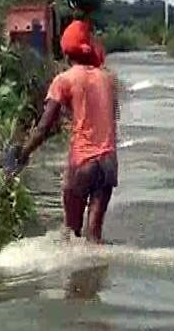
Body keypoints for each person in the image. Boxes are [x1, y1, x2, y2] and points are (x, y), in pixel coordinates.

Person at [11, 19, 119, 244]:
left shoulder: (64, 80)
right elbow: (113, 116)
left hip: (82, 163)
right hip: (108, 163)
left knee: (71, 233)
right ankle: (95, 277)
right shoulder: (107, 79)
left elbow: (43, 127)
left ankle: (76, 279)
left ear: (66, 52)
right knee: (94, 237)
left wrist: (23, 153)